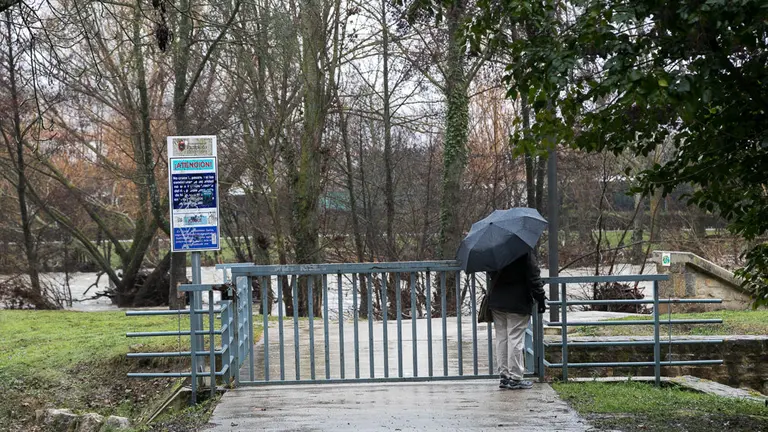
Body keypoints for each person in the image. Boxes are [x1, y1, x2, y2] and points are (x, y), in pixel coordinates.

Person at [487, 252, 546, 390]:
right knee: (515, 338)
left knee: (502, 338)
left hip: (496, 301)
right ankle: (515, 377)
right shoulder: (523, 251)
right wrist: (541, 298)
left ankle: (504, 376)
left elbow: (490, 273)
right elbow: (533, 277)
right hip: (518, 301)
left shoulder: (494, 250)